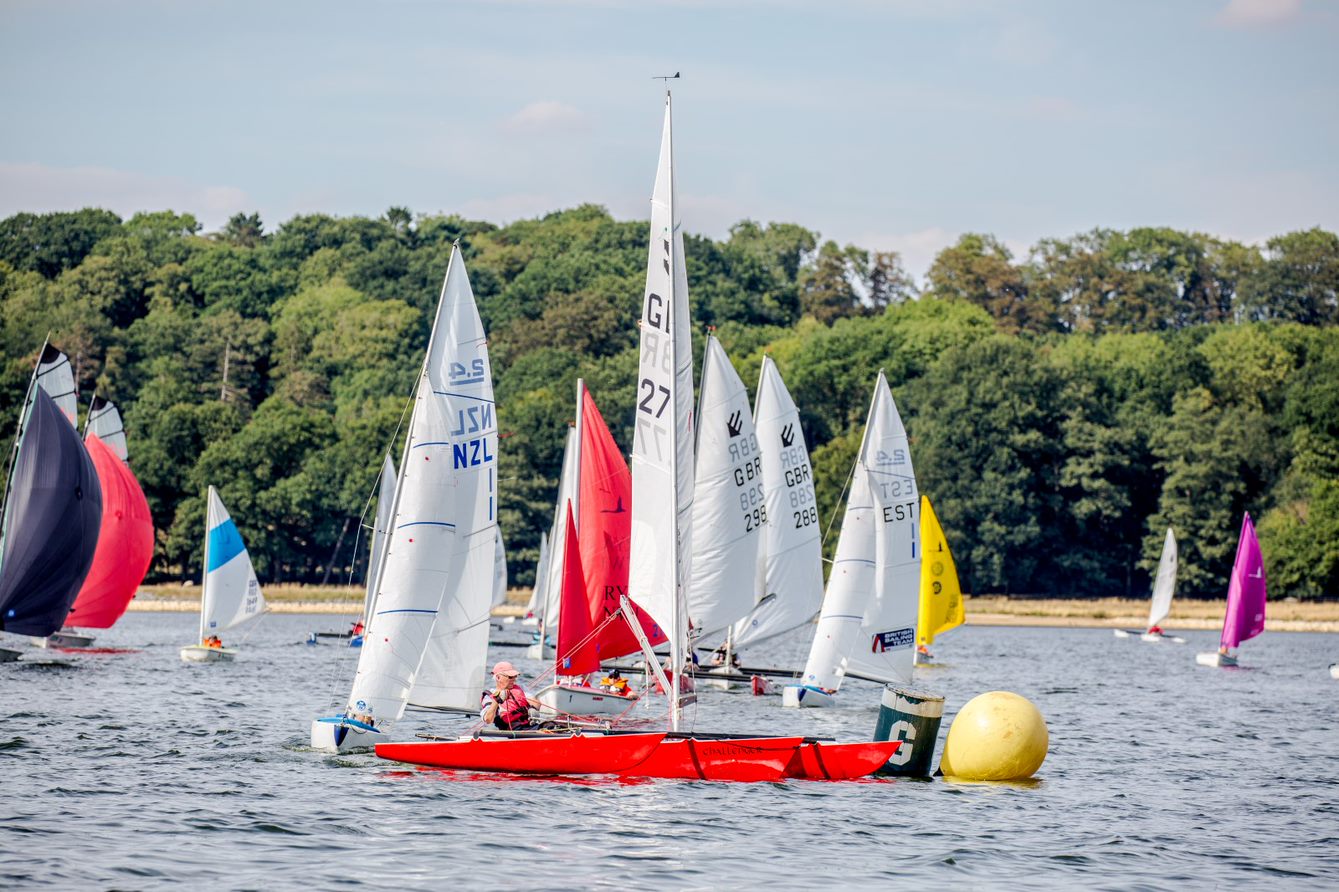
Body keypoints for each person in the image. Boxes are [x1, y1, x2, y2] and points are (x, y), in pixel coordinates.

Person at [481, 661, 533, 731]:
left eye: (515, 676)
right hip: (512, 731)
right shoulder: (488, 697)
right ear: (498, 677)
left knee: (547, 725)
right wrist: (497, 700)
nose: (514, 679)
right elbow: (488, 719)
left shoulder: (520, 688)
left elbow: (535, 702)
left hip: (529, 725)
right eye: (510, 677)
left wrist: (533, 708)